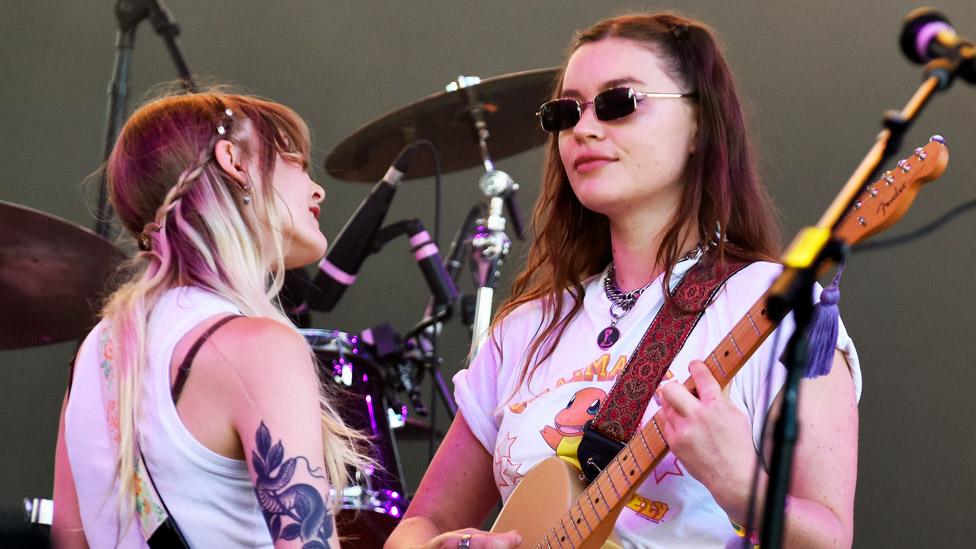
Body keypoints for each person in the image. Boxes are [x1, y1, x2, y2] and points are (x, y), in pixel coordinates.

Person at [387, 12, 860, 549]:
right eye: (566, 112)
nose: (585, 129)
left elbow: (832, 539)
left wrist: (741, 486)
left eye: (619, 103)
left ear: (699, 125)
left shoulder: (772, 303)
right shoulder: (523, 329)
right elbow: (418, 525)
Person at [51, 92, 372, 548]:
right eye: (295, 162)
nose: (316, 190)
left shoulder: (98, 353)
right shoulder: (259, 347)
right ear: (234, 162)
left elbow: (69, 538)